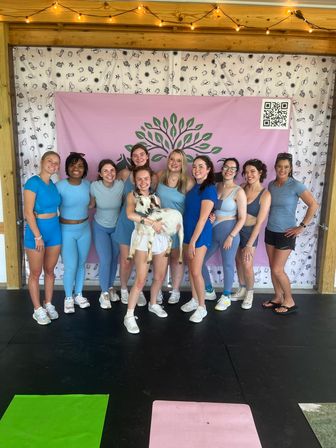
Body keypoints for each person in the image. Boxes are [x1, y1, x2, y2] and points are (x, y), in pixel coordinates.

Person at [262, 152, 318, 315]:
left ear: (290, 168)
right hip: (270, 231)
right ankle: (278, 297)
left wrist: (301, 226)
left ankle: (289, 300)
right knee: (273, 268)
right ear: (275, 167)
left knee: (278, 269)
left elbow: (314, 205)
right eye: (280, 166)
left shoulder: (296, 185)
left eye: (286, 167)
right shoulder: (271, 185)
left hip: (286, 233)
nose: (282, 169)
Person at [124, 166, 169, 334]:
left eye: (146, 179)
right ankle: (129, 316)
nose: (143, 182)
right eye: (139, 179)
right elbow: (130, 215)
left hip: (159, 239)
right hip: (142, 239)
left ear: (151, 180)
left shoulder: (156, 197)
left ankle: (153, 304)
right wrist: (151, 223)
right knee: (141, 280)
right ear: (135, 181)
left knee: (159, 276)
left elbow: (160, 217)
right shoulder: (132, 196)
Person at [114, 143, 157, 307]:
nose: (139, 158)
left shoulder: (153, 177)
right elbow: (110, 187)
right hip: (127, 222)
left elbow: (156, 200)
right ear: (131, 158)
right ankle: (124, 289)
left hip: (145, 226)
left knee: (143, 262)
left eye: (142, 154)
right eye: (135, 155)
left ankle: (137, 290)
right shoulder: (125, 174)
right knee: (126, 261)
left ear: (147, 157)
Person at [202, 158, 247, 312]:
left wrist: (231, 236)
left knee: (228, 264)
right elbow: (210, 207)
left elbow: (242, 218)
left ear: (236, 172)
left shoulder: (238, 191)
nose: (229, 170)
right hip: (213, 230)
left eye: (233, 168)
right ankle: (209, 290)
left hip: (229, 231)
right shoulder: (215, 186)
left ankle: (226, 296)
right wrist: (212, 215)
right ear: (222, 169)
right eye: (226, 167)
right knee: (199, 260)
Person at [24, 151, 62, 325]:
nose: (53, 165)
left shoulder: (53, 184)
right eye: (50, 161)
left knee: (49, 271)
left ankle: (48, 304)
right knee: (35, 272)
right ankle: (37, 309)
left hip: (54, 230)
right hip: (37, 232)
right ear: (42, 161)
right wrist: (37, 236)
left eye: (56, 163)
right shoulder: (33, 183)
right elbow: (28, 212)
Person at [180, 155, 218, 323]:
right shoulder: (194, 187)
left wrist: (194, 241)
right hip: (188, 233)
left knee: (196, 271)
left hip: (200, 235)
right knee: (192, 270)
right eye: (194, 166)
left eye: (201, 166)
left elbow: (203, 219)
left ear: (208, 169)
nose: (196, 170)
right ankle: (195, 300)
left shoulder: (209, 188)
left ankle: (202, 307)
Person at [231, 159, 271, 310]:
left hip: (250, 232)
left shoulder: (265, 194)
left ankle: (250, 293)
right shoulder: (241, 187)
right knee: (238, 260)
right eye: (246, 172)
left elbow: (260, 222)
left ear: (260, 173)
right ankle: (241, 288)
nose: (249, 175)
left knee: (247, 264)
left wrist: (249, 244)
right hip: (236, 229)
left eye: (252, 171)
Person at [156, 149, 194, 304]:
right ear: (168, 160)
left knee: (176, 258)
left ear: (183, 164)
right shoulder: (159, 176)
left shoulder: (188, 182)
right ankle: (157, 289)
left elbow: (194, 205)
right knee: (160, 258)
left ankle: (175, 290)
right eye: (172, 159)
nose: (174, 163)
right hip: (159, 226)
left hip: (178, 227)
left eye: (179, 160)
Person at [56, 152, 91, 314]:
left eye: (80, 166)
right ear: (67, 168)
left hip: (84, 229)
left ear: (84, 170)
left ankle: (79, 294)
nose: (76, 168)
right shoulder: (59, 186)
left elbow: (93, 203)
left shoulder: (89, 185)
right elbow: (49, 205)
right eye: (72, 165)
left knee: (81, 264)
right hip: (66, 230)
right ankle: (68, 298)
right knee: (71, 266)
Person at [90, 159, 124, 309]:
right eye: (105, 171)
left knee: (114, 258)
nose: (109, 173)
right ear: (100, 174)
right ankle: (103, 293)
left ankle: (110, 288)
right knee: (106, 259)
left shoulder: (121, 185)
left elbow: (125, 204)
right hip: (100, 227)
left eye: (112, 170)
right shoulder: (94, 186)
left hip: (117, 228)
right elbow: (91, 204)